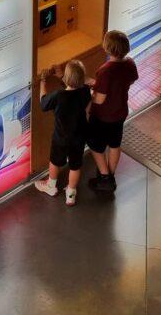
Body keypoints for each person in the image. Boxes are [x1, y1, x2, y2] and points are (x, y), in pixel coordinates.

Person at [35, 60, 91, 206]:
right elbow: (75, 88)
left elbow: (43, 103)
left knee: (55, 161)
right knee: (75, 166)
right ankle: (71, 194)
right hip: (79, 138)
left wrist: (42, 81)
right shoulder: (85, 91)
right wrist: (62, 76)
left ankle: (51, 186)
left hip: (61, 138)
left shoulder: (58, 96)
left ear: (66, 78)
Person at [87, 30, 138, 193]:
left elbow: (100, 99)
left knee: (95, 145)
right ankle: (112, 174)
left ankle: (104, 177)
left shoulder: (105, 70)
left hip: (103, 116)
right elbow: (130, 79)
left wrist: (89, 95)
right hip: (120, 113)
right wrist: (98, 84)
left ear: (108, 48)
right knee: (115, 144)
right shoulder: (130, 63)